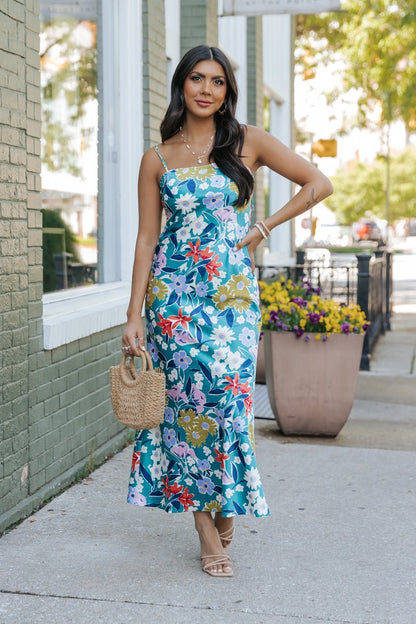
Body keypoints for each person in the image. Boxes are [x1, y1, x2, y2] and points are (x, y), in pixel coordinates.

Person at [122, 45, 333, 578]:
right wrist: (133, 315)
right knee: (185, 406)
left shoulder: (248, 141)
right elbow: (147, 240)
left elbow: (318, 184)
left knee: (230, 402)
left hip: (232, 300)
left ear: (226, 92)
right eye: (196, 79)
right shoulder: (158, 157)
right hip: (173, 300)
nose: (206, 90)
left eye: (217, 82)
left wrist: (262, 229)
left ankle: (224, 501)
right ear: (182, 85)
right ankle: (203, 526)